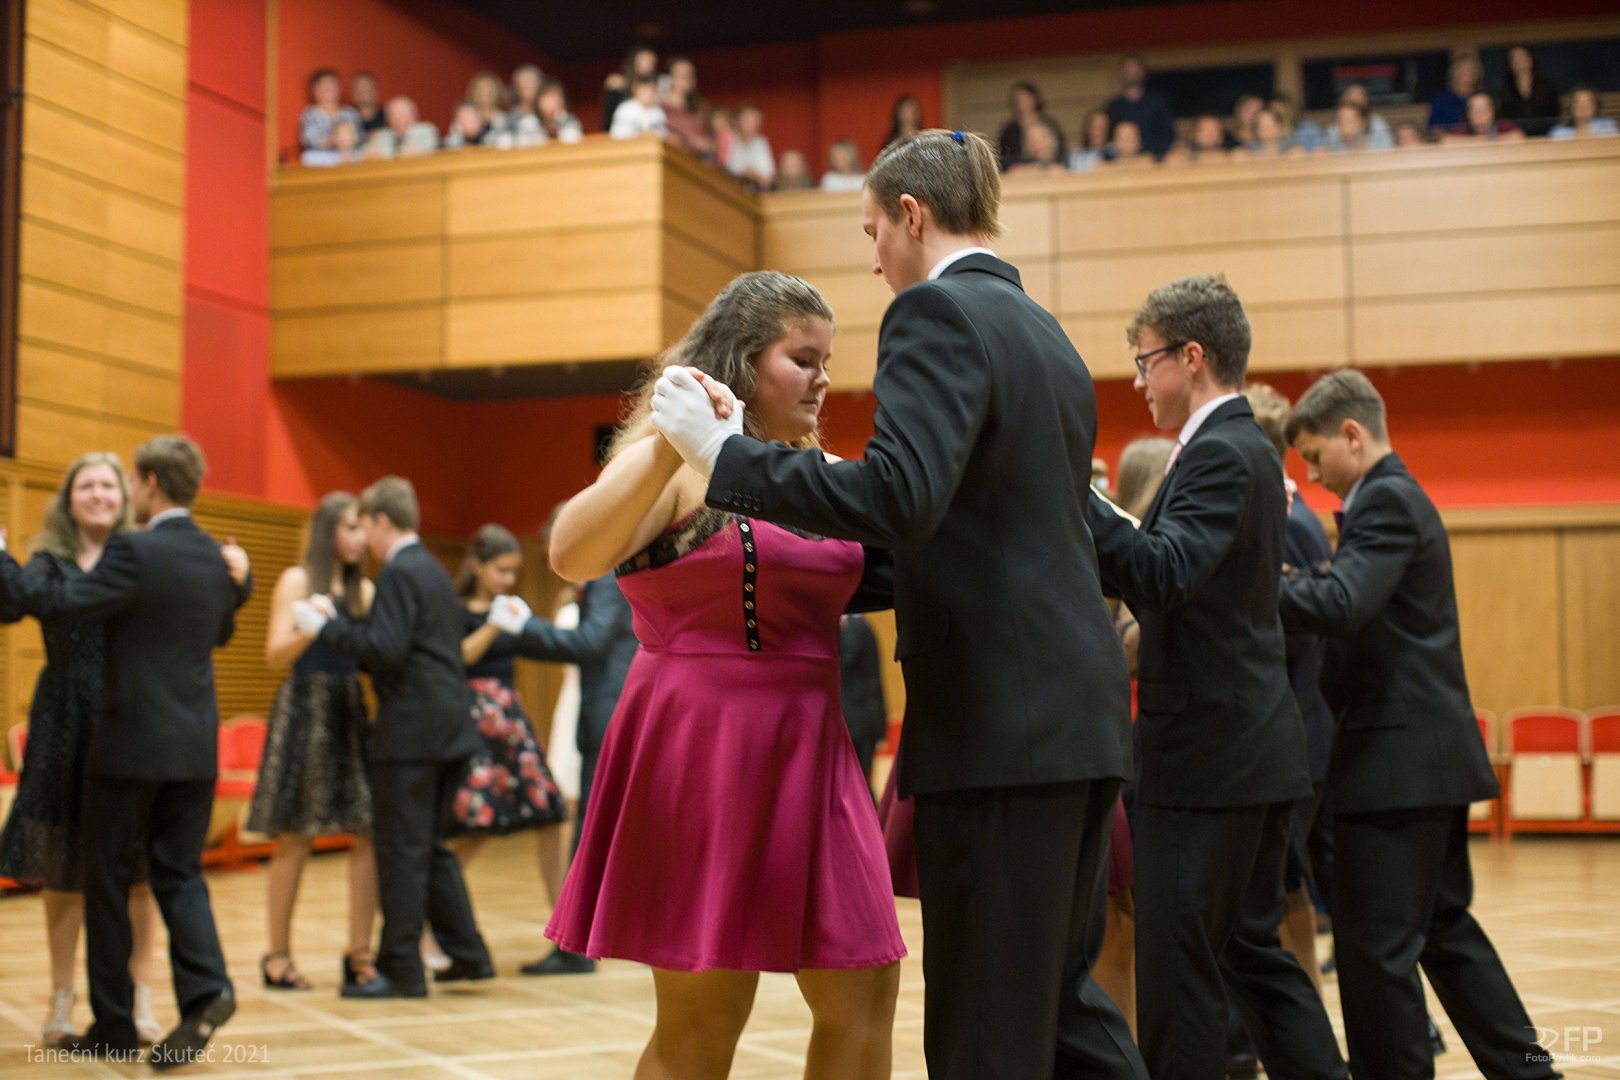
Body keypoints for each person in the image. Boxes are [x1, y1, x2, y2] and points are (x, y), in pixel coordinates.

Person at [653, 130, 1143, 1080]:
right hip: (1072, 722)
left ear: (912, 215)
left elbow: (900, 496)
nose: (874, 257)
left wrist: (724, 458)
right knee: (1060, 1017)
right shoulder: (1046, 332)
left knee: (985, 1033)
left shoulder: (934, 313)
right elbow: (972, 536)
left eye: (873, 229)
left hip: (1002, 727)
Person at [542, 271, 904, 1079]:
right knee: (705, 1021)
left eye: (826, 362)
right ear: (744, 360)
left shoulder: (818, 467)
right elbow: (571, 553)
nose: (822, 380)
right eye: (802, 360)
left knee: (867, 988)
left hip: (815, 746)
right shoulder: (673, 462)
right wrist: (679, 436)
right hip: (703, 748)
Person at [1083, 276, 1345, 1080]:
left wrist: (1074, 498)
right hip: (1243, 749)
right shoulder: (1238, 448)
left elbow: (1163, 575)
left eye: (1145, 361)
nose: (1139, 380)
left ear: (1190, 356)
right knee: (1250, 956)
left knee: (1181, 971)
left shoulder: (1222, 451)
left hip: (1210, 760)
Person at [1277, 370, 1559, 1079]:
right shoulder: (1390, 499)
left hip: (1396, 764)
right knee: (1445, 932)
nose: (1312, 476)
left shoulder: (1387, 500)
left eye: (1314, 456)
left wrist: (1256, 584)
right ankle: (1530, 1070)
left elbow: (1343, 602)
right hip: (1419, 759)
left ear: (1352, 435)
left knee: (1376, 950)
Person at [0, 435, 251, 1066]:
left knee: (107, 879)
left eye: (129, 482)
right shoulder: (213, 555)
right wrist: (242, 583)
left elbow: (58, 603)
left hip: (130, 744)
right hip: (195, 746)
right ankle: (207, 990)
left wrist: (1, 559)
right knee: (179, 873)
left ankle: (113, 1021)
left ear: (148, 484)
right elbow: (222, 628)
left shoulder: (134, 551)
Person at [296, 476, 494, 1000]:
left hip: (412, 733)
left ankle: (403, 969)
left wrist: (325, 627)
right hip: (450, 726)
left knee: (402, 851)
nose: (364, 537)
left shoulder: (400, 571)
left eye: (366, 524)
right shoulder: (431, 568)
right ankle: (468, 954)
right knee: (429, 849)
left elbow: (386, 651)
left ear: (382, 521)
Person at [0, 454, 165, 1046]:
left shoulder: (140, 556)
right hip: (63, 718)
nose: (97, 493)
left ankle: (139, 994)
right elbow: (10, 606)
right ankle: (63, 998)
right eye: (85, 485)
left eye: (107, 484)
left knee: (138, 866)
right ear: (68, 499)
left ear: (125, 496)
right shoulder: (48, 561)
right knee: (63, 865)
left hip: (128, 714)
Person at [248, 492, 376, 994]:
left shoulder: (365, 589)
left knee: (367, 831)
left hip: (348, 707)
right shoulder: (298, 580)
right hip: (305, 708)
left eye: (363, 527)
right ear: (328, 531)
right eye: (350, 526)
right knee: (295, 834)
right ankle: (277, 955)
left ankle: (360, 953)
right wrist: (309, 627)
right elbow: (274, 655)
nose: (360, 537)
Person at [510, 516, 639, 977]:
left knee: (589, 833)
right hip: (604, 714)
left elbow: (590, 642)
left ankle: (576, 947)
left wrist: (523, 627)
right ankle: (580, 942)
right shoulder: (607, 572)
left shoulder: (605, 574)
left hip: (607, 716)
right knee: (593, 831)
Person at [447, 525, 569, 907]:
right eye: (501, 570)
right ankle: (435, 919)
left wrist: (526, 622)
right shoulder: (457, 610)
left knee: (552, 814)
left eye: (513, 571)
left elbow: (544, 643)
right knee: (476, 824)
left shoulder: (509, 608)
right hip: (474, 723)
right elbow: (460, 655)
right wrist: (494, 623)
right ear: (477, 566)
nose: (508, 579)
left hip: (511, 723)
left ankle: (562, 921)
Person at [837, 613, 888, 787]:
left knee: (857, 785)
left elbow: (842, 661)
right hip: (865, 718)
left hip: (857, 720)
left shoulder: (853, 630)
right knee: (861, 782)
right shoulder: (863, 626)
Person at [1106, 56, 1175, 159]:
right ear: (1120, 73)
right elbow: (1109, 138)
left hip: (1155, 159)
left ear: (1143, 72)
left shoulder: (1158, 101)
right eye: (1127, 68)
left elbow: (1168, 133)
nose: (1131, 72)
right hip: (1123, 160)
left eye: (1135, 68)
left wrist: (1157, 155)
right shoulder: (1114, 106)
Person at [998, 81, 1063, 170]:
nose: (1022, 102)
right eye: (1018, 99)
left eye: (1026, 98)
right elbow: (1002, 157)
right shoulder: (1009, 130)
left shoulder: (1050, 124)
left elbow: (1061, 153)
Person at [1498, 45, 1561, 136]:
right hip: (1516, 138)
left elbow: (1555, 116)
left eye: (1523, 58)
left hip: (1546, 136)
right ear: (1510, 65)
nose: (1520, 62)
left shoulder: (1548, 87)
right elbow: (1504, 119)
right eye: (1515, 59)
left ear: (1531, 60)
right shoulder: (1504, 90)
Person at [298, 68, 360, 152]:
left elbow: (360, 138)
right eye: (324, 86)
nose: (329, 89)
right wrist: (336, 140)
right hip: (319, 158)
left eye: (333, 85)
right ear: (314, 90)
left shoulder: (350, 113)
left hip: (348, 157)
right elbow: (309, 140)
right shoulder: (309, 114)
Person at [602, 44, 659, 134]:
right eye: (643, 61)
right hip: (621, 131)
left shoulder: (657, 87)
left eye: (651, 62)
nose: (647, 65)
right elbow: (609, 119)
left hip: (648, 132)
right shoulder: (617, 82)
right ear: (633, 62)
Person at [726, 103, 775, 190]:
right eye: (748, 120)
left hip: (756, 190)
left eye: (756, 121)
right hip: (730, 187)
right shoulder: (728, 138)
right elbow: (728, 168)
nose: (753, 125)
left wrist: (753, 174)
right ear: (737, 120)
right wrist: (750, 173)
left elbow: (768, 175)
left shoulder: (760, 142)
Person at [1428, 56, 1483, 132]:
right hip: (1450, 138)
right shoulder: (1441, 99)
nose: (1469, 75)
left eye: (1472, 71)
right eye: (1464, 71)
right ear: (1455, 73)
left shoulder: (1482, 98)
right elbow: (1434, 128)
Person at [610, 75, 668, 140]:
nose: (648, 94)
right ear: (635, 90)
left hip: (651, 145)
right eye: (644, 91)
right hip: (630, 145)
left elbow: (664, 134)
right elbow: (616, 134)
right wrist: (639, 135)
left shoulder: (658, 112)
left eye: (651, 91)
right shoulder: (625, 109)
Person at [1549, 85, 1617, 139]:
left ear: (1596, 107)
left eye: (1587, 102)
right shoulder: (1559, 132)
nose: (1582, 106)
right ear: (1571, 107)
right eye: (1577, 102)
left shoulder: (1607, 127)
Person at [348, 71, 385, 135]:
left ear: (376, 92)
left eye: (368, 91)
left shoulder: (387, 117)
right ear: (353, 93)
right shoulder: (346, 117)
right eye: (360, 91)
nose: (364, 95)